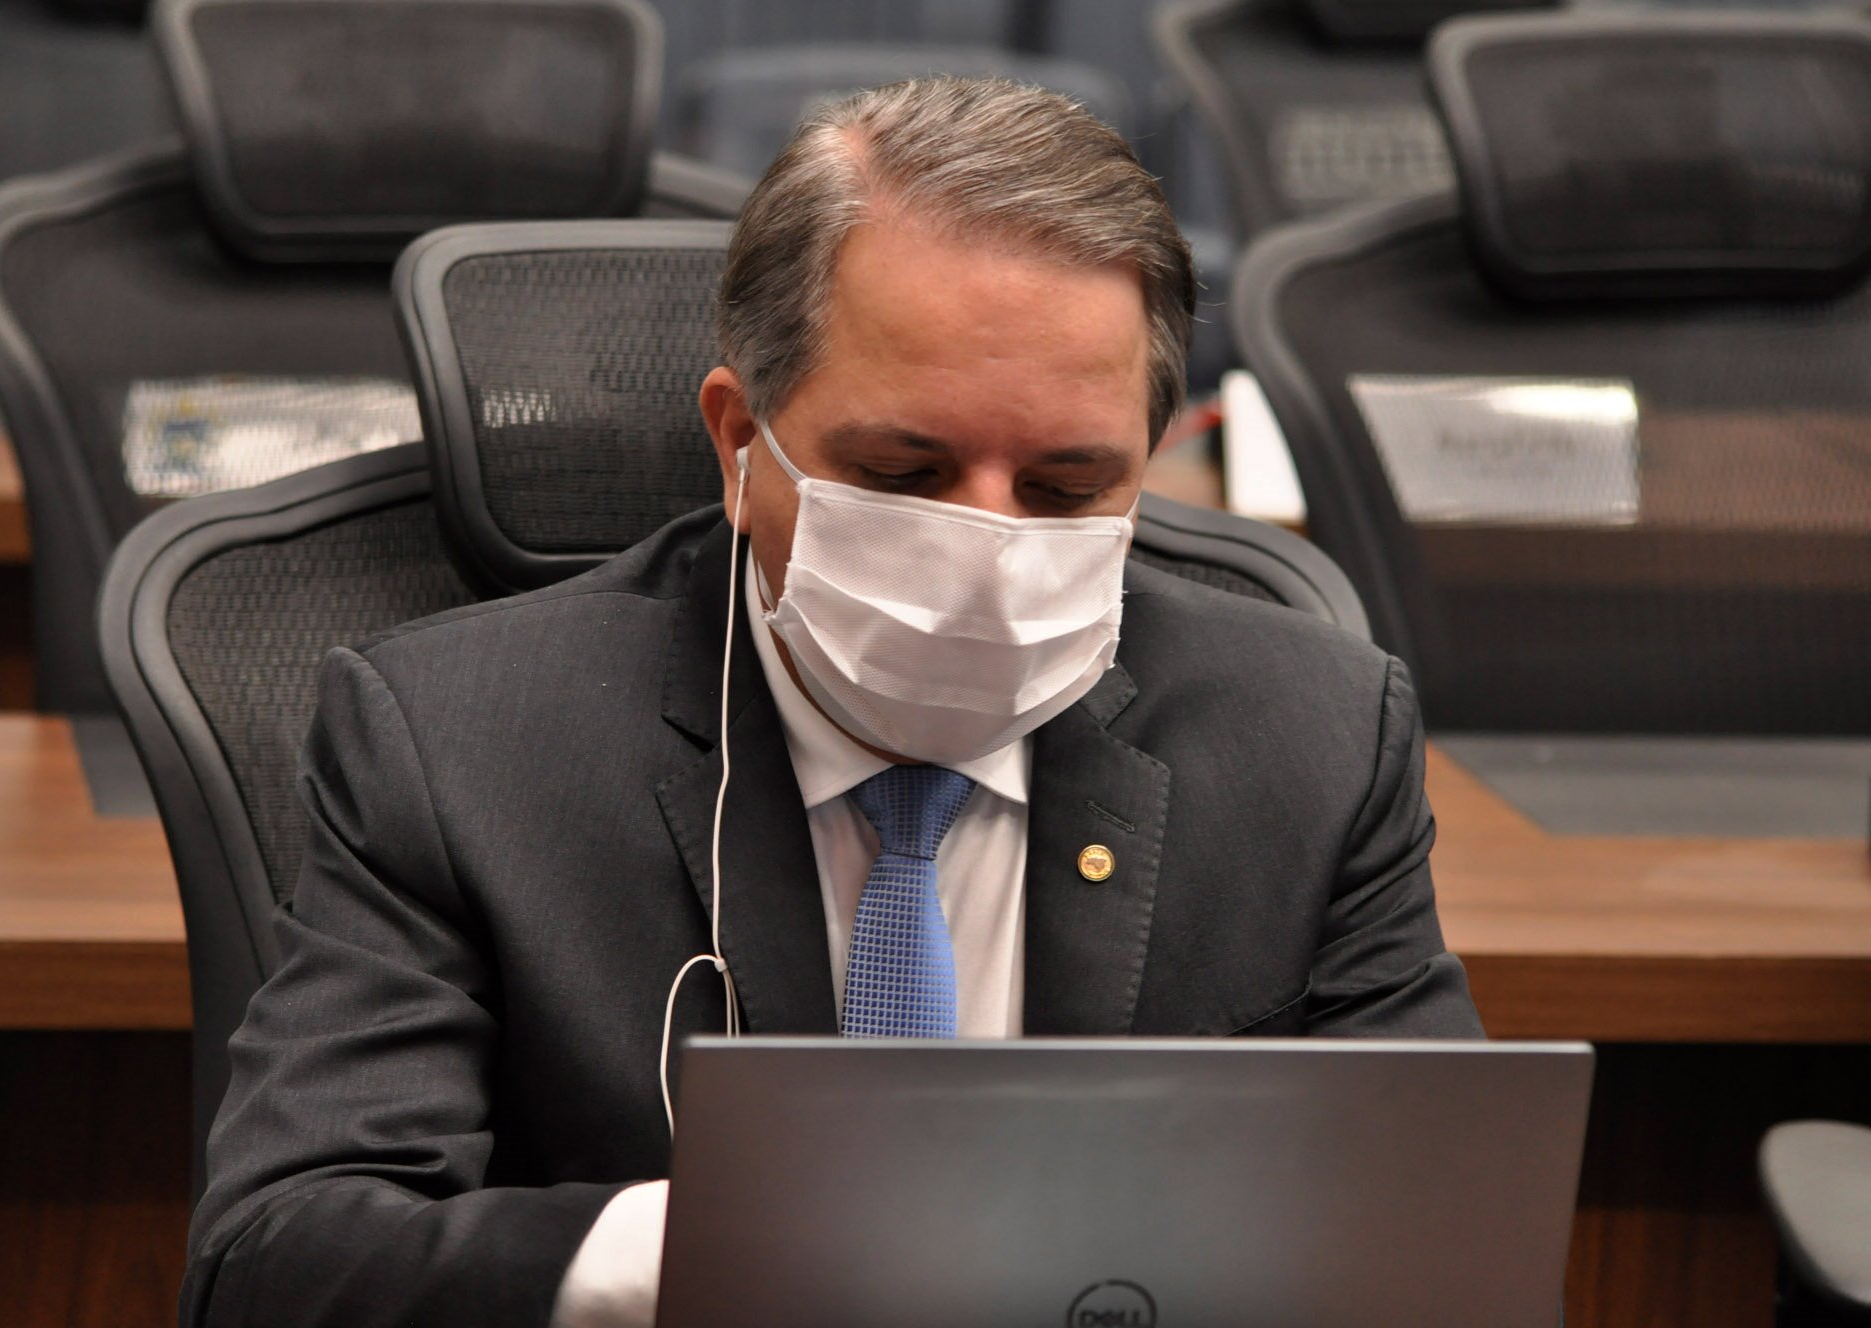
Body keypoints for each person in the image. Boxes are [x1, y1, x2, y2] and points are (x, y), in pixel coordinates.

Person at [178, 76, 1483, 1328]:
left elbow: (1449, 1236)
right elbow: (277, 1265)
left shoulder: (1314, 736)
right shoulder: (455, 743)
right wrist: (734, 1247)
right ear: (740, 441)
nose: (986, 550)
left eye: (1066, 489)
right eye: (904, 474)